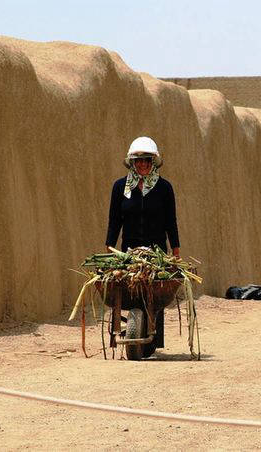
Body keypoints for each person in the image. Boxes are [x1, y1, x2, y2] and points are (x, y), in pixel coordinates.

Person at [105, 136, 181, 356]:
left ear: (153, 162)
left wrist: (175, 251)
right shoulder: (120, 187)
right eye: (138, 161)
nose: (143, 165)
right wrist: (109, 247)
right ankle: (129, 329)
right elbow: (114, 220)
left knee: (155, 293)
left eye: (147, 161)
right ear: (131, 163)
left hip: (157, 252)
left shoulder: (164, 188)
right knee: (129, 290)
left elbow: (171, 221)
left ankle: (153, 336)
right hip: (128, 252)